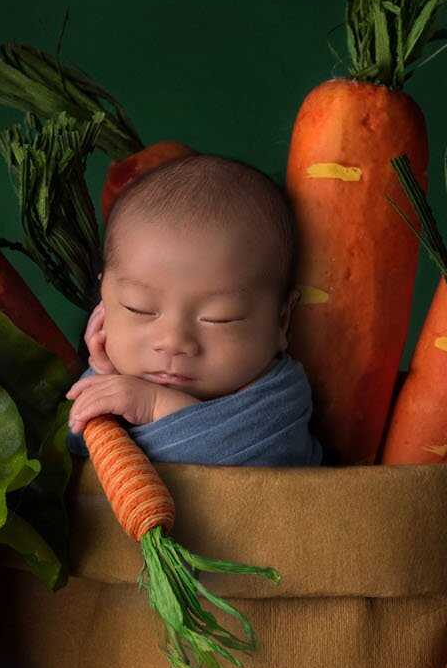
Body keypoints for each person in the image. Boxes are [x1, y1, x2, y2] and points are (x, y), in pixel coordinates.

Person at [65, 153, 322, 467]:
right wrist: (103, 374)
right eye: (139, 309)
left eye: (219, 318)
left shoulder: (280, 398)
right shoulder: (120, 368)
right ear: (104, 301)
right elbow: (78, 444)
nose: (173, 342)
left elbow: (258, 465)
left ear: (281, 321)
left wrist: (156, 405)